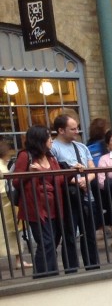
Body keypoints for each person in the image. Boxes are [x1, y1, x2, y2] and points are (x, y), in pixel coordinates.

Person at [11, 125, 69, 277]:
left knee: (53, 241)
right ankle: (42, 275)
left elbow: (60, 178)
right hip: (35, 206)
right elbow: (16, 181)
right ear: (40, 139)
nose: (51, 140)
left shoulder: (51, 157)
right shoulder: (25, 156)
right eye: (49, 137)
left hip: (54, 206)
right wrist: (30, 173)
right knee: (46, 241)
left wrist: (72, 172)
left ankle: (49, 273)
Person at [49, 114, 100, 269]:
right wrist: (76, 181)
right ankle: (71, 268)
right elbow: (54, 172)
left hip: (86, 195)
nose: (76, 131)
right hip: (67, 198)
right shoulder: (53, 148)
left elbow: (93, 169)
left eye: (76, 127)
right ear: (61, 130)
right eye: (72, 128)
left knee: (90, 233)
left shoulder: (82, 147)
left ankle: (93, 266)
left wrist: (86, 180)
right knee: (70, 234)